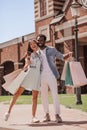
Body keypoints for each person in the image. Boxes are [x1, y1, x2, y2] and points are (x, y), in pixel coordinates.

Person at [36, 34, 72, 123]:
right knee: (44, 96)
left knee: (55, 95)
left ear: (44, 41)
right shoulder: (37, 53)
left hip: (51, 75)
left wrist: (68, 55)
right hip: (41, 77)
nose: (39, 42)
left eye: (41, 40)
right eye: (38, 40)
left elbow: (61, 56)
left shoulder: (51, 49)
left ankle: (57, 115)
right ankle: (47, 115)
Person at [3, 39, 41, 123]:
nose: (33, 45)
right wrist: (27, 64)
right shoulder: (29, 54)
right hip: (28, 76)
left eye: (34, 43)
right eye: (31, 44)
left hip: (37, 77)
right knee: (17, 94)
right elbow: (27, 63)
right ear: (30, 47)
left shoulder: (41, 54)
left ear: (37, 44)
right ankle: (8, 112)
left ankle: (33, 117)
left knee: (35, 97)